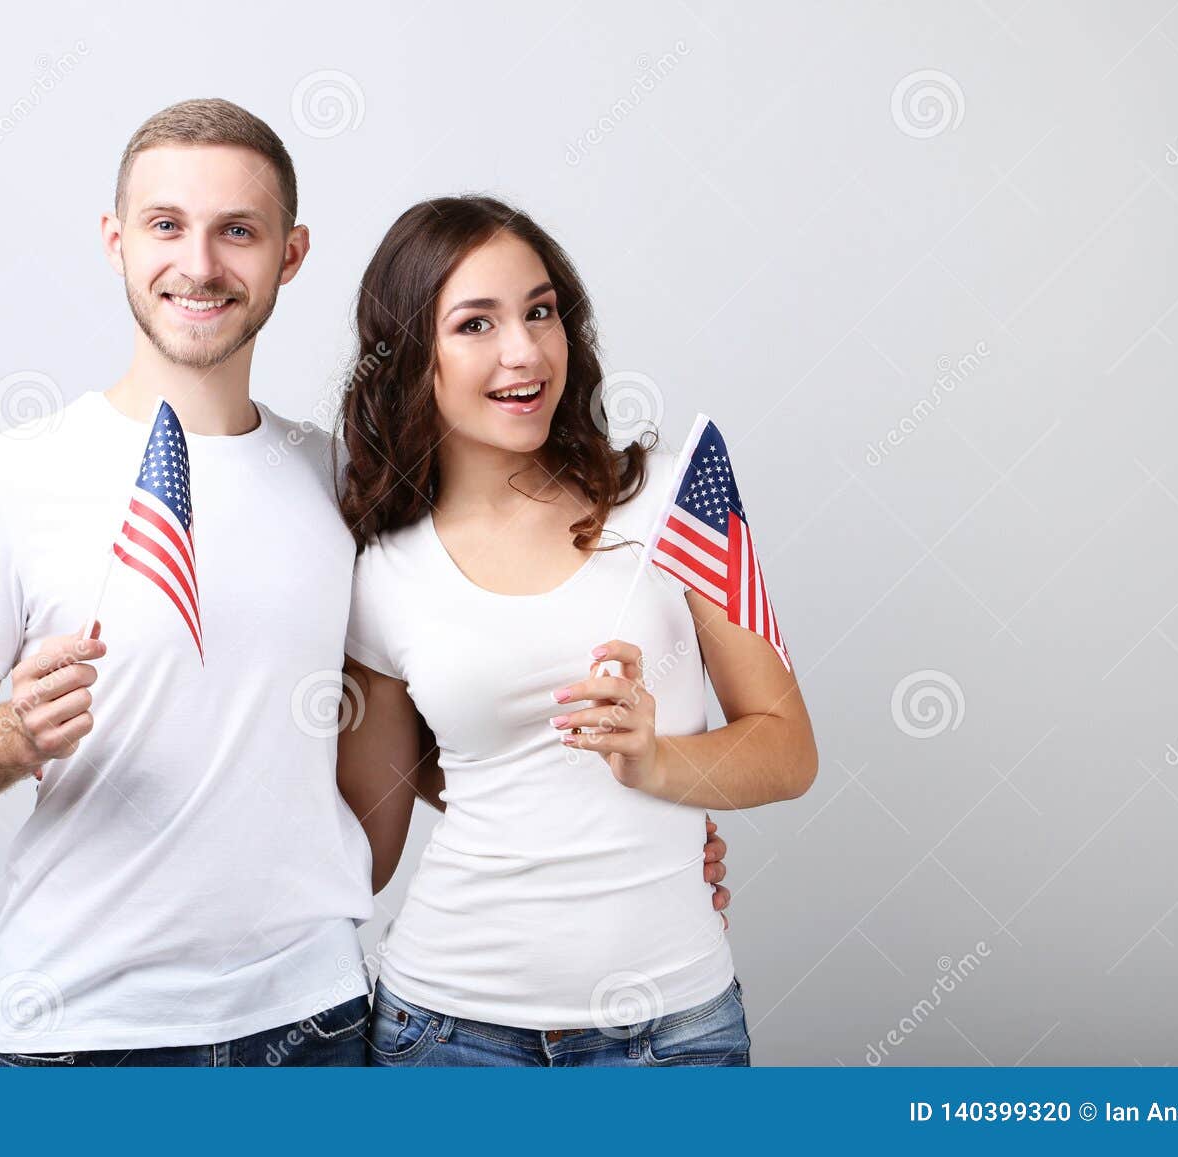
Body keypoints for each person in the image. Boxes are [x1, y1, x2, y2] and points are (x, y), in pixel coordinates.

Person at [0, 100, 732, 1067]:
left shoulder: (352, 487)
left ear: (289, 255)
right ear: (116, 241)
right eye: (166, 225)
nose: (199, 264)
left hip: (316, 1019)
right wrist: (6, 734)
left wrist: (636, 849)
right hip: (82, 1031)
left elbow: (444, 723)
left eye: (236, 231)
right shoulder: (9, 477)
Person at [335, 196, 818, 1066]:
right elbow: (370, 841)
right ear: (412, 357)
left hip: (673, 1033)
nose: (524, 350)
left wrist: (657, 761)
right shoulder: (381, 568)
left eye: (541, 310)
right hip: (447, 1032)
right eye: (475, 323)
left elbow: (789, 752)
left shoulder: (672, 501)